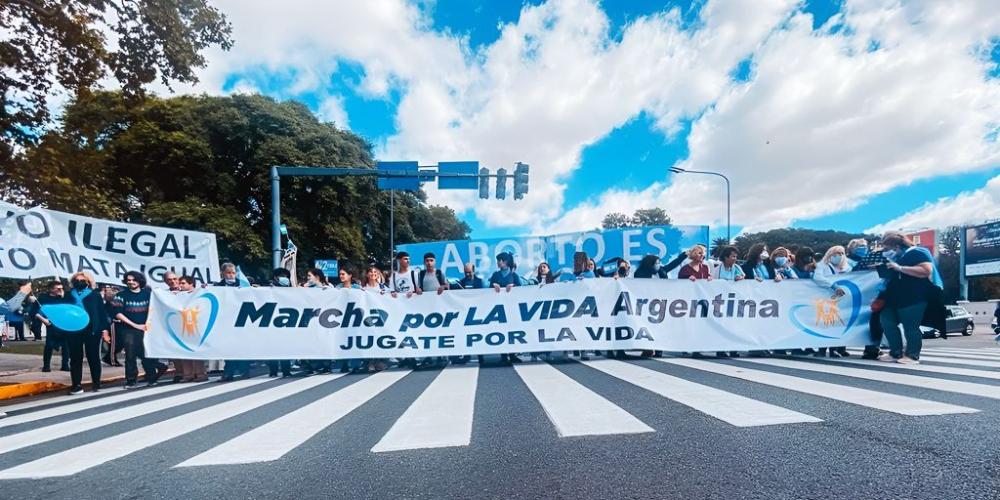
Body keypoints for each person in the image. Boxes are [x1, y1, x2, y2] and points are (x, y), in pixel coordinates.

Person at [878, 232, 936, 364]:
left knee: (910, 326)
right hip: (893, 297)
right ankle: (895, 352)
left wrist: (900, 268)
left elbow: (926, 271)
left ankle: (912, 354)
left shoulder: (918, 252)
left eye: (887, 248)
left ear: (897, 246)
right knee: (887, 321)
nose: (886, 251)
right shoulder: (897, 257)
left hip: (913, 297)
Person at [113, 271, 166, 388]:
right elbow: (118, 314)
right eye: (128, 280)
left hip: (147, 328)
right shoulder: (121, 295)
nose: (131, 282)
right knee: (130, 355)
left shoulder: (148, 294)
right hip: (128, 330)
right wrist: (135, 325)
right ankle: (131, 380)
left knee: (147, 353)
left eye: (133, 280)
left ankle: (152, 377)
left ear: (139, 281)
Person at [63, 272, 110, 394]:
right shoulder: (68, 295)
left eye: (82, 280)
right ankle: (76, 384)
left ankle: (96, 382)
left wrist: (104, 330)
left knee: (93, 356)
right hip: (74, 329)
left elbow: (101, 313)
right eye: (77, 280)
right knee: (75, 358)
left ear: (88, 282)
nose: (79, 282)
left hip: (91, 329)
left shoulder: (94, 295)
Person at [812, 246, 853, 358]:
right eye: (835, 253)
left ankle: (834, 349)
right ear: (829, 254)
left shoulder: (847, 268)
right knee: (826, 322)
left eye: (841, 253)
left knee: (837, 324)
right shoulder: (822, 265)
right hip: (825, 298)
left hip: (841, 300)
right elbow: (817, 277)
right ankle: (821, 349)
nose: (838, 256)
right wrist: (833, 285)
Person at [215, 263, 251, 381]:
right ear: (223, 273)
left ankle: (244, 371)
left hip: (240, 319)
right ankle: (228, 372)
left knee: (241, 346)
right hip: (225, 320)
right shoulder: (217, 286)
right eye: (228, 273)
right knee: (227, 347)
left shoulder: (243, 284)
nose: (231, 275)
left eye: (233, 273)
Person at [488, 252, 523, 364]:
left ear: (505, 261)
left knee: (511, 330)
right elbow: (487, 290)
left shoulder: (514, 276)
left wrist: (514, 286)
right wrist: (493, 286)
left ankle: (513, 354)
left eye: (500, 260)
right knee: (501, 329)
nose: (498, 263)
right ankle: (503, 355)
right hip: (498, 308)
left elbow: (522, 290)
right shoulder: (495, 275)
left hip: (511, 308)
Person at [710, 246, 743, 358]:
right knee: (722, 325)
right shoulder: (717, 269)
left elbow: (743, 276)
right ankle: (720, 349)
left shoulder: (737, 267)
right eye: (733, 256)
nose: (735, 259)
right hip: (720, 301)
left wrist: (740, 278)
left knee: (734, 326)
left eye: (736, 256)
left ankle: (734, 348)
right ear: (725, 257)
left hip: (733, 301)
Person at [264, 269, 294, 379]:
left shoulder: (292, 290)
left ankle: (286, 370)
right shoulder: (269, 289)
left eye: (286, 276)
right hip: (272, 321)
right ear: (276, 278)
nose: (284, 278)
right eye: (282, 276)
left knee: (285, 347)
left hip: (286, 320)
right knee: (272, 347)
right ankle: (273, 370)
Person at [360, 265, 390, 372]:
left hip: (380, 317)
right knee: (369, 338)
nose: (373, 274)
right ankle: (370, 362)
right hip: (367, 317)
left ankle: (379, 361)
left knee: (379, 338)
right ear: (367, 274)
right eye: (371, 272)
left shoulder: (383, 288)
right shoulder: (363, 288)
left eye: (375, 272)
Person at [36, 280, 70, 372]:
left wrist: (63, 297)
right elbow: (35, 311)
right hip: (51, 324)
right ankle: (46, 365)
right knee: (49, 345)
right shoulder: (43, 298)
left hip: (63, 324)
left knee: (66, 345)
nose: (60, 290)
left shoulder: (63, 298)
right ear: (51, 289)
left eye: (62, 288)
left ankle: (65, 365)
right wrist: (43, 320)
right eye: (58, 289)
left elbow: (68, 309)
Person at [100, 284, 123, 366]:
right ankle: (111, 359)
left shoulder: (120, 300)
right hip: (113, 323)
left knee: (120, 343)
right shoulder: (110, 303)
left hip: (120, 323)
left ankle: (108, 357)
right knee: (114, 343)